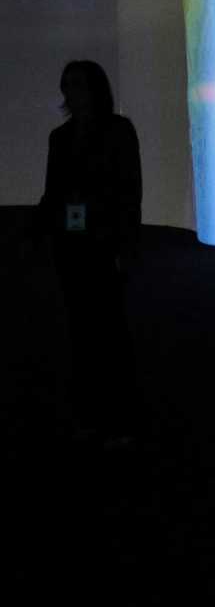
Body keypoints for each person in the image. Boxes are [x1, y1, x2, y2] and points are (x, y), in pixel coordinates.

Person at [26, 60, 143, 447]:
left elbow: (130, 191)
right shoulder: (59, 138)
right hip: (71, 244)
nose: (71, 93)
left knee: (111, 332)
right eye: (67, 86)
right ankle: (90, 417)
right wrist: (39, 236)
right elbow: (52, 191)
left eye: (77, 85)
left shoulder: (119, 131)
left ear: (95, 88)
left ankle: (122, 420)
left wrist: (125, 246)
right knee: (82, 333)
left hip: (104, 243)